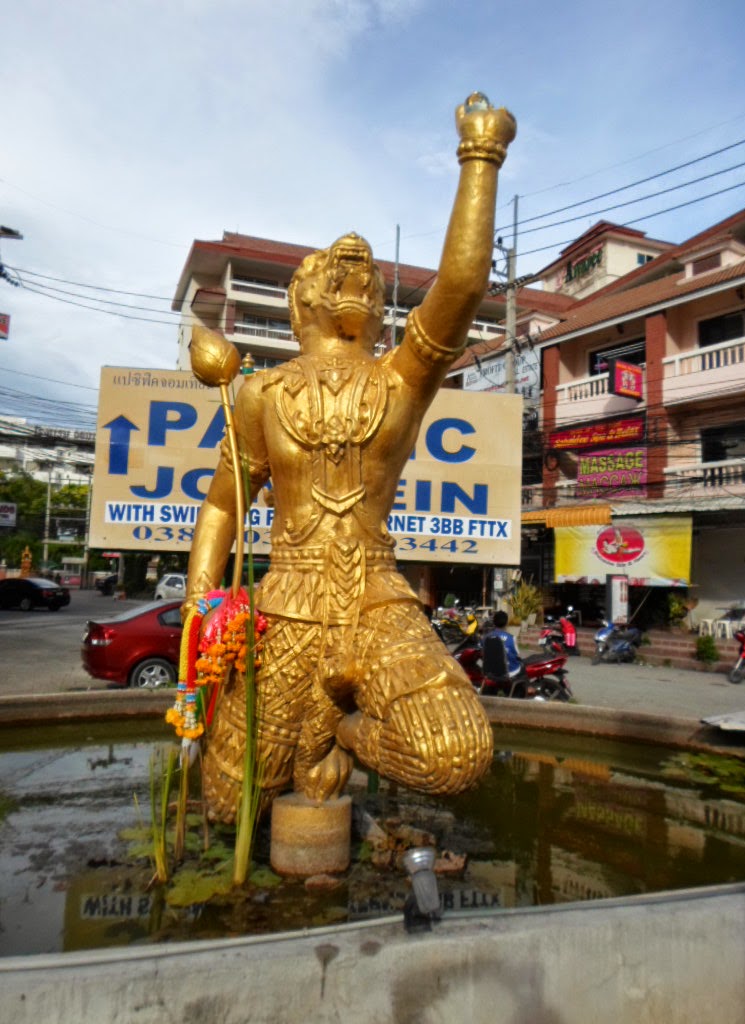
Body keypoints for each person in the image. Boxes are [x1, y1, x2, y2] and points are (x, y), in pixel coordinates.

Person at [184, 94, 517, 822]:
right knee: (223, 806)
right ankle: (305, 746)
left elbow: (460, 289)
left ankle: (336, 731)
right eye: (332, 273)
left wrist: (479, 159)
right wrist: (200, 605)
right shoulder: (258, 392)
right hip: (286, 608)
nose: (353, 276)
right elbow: (222, 503)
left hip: (377, 600)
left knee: (454, 757)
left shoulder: (400, 378)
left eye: (365, 278)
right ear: (300, 300)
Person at [485, 610, 522, 676]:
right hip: (510, 672)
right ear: (506, 623)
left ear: (494, 622)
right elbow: (517, 655)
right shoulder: (512, 638)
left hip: (491, 673)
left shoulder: (485, 638)